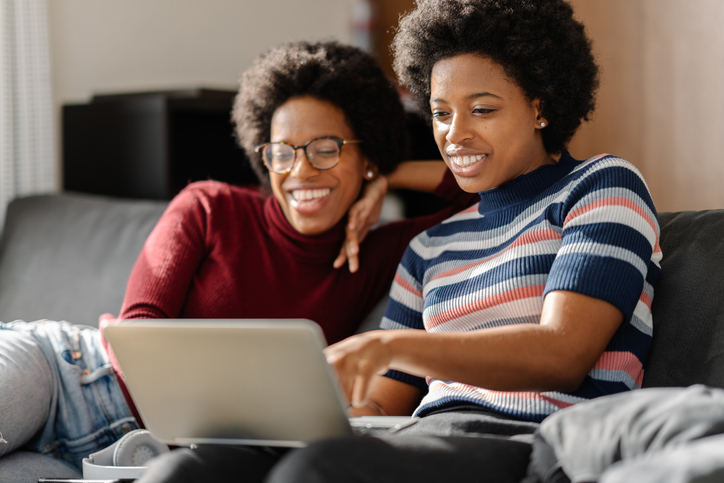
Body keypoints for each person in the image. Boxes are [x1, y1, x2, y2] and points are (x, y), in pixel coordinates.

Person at [136, 1, 662, 482]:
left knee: (316, 472)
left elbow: (563, 353)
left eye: (482, 109)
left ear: (541, 107)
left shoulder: (602, 185)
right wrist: (282, 414)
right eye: (440, 112)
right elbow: (384, 405)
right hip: (421, 438)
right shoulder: (430, 246)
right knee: (192, 470)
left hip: (537, 443)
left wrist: (390, 345)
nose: (454, 133)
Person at [0, 41, 476, 473]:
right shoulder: (209, 207)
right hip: (67, 374)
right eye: (282, 153)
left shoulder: (383, 251)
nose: (301, 171)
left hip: (133, 455)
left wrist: (389, 176)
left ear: (367, 154)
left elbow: (487, 194)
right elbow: (139, 326)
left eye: (327, 150)